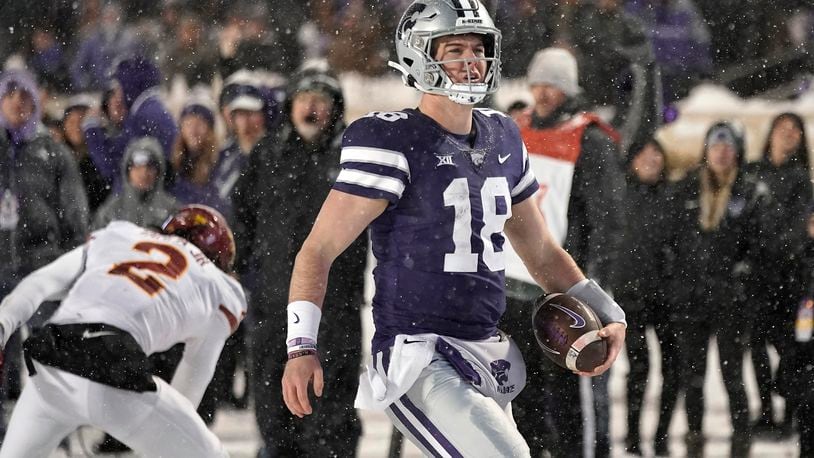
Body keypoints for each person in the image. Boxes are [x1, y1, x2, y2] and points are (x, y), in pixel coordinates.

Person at [281, 2, 627, 456]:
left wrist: (608, 310)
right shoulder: (391, 139)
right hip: (418, 356)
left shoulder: (504, 136)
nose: (470, 61)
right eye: (454, 49)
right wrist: (301, 346)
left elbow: (540, 251)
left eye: (478, 49)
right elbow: (318, 249)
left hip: (486, 354)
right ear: (417, 56)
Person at [0, 204, 247, 458]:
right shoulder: (217, 285)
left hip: (51, 355)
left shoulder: (121, 235)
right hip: (110, 363)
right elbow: (194, 375)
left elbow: (41, 282)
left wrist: (3, 325)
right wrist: (167, 435)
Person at [233, 66, 367, 457]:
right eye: (303, 98)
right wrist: (245, 270)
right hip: (274, 306)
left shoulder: (354, 158)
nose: (310, 106)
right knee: (274, 411)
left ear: (335, 108)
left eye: (320, 99)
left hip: (334, 308)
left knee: (332, 414)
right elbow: (241, 218)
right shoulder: (267, 153)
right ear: (290, 105)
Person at [501, 47, 626, 458]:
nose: (542, 92)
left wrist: (593, 283)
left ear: (568, 89)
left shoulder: (590, 140)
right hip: (509, 287)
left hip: (559, 290)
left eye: (552, 84)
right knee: (519, 396)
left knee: (570, 402)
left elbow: (607, 220)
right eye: (537, 83)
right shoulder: (514, 130)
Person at [665, 122, 767, 458]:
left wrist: (741, 282)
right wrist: (678, 283)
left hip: (730, 303)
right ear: (706, 151)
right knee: (692, 377)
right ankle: (695, 437)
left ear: (737, 151)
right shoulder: (686, 191)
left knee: (732, 375)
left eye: (728, 146)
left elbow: (759, 248)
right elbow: (670, 243)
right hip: (691, 301)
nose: (721, 152)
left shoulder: (751, 192)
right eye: (715, 145)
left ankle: (741, 440)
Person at [0, 69, 90, 435]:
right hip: (0, 268)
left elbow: (75, 212)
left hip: (42, 267)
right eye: (11, 95)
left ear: (36, 101)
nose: (18, 102)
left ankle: (56, 430)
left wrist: (70, 265)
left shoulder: (52, 150)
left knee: (49, 358)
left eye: (25, 96)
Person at [745, 112, 812, 437]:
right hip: (756, 277)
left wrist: (774, 243)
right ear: (770, 133)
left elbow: (801, 229)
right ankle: (767, 411)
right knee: (757, 345)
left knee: (790, 348)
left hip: (789, 277)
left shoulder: (801, 178)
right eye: (783, 129)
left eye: (795, 131)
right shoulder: (753, 172)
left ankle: (790, 411)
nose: (789, 135)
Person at [615, 138, 679, 456]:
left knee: (673, 368)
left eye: (658, 154)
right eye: (645, 154)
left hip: (667, 297)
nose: (652, 160)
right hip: (631, 296)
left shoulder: (674, 196)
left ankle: (663, 436)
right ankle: (633, 436)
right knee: (639, 368)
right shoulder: (621, 196)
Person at [83, 55, 178, 192]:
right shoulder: (152, 110)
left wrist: (91, 128)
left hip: (142, 204)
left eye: (119, 86)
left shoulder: (144, 116)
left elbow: (111, 165)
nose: (118, 94)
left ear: (129, 84)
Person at [92, 136, 178, 230]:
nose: (144, 173)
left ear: (159, 172)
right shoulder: (110, 211)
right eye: (137, 166)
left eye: (150, 166)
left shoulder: (172, 210)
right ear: (127, 170)